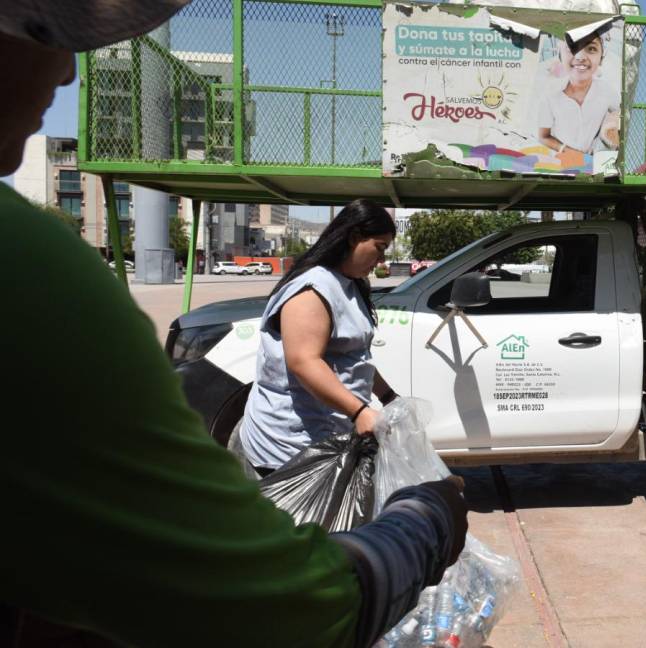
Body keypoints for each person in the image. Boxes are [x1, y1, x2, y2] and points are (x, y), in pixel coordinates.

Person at [0, 3, 467, 646]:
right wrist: (424, 522)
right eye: (46, 31)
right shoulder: (33, 270)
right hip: (295, 440)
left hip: (337, 431)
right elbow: (268, 600)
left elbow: (352, 361)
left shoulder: (355, 289)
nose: (66, 75)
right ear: (350, 238)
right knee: (307, 524)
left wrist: (381, 400)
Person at [238, 199, 397, 473]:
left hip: (325, 438)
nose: (381, 260)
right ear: (354, 237)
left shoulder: (350, 285)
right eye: (379, 248)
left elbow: (354, 357)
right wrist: (359, 412)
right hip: (290, 446)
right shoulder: (313, 289)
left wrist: (389, 397)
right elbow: (303, 361)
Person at [538, 33, 621, 155]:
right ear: (560, 54)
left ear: (601, 57)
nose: (580, 56)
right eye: (572, 48)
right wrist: (570, 153)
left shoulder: (608, 91)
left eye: (591, 49)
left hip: (592, 168)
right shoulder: (550, 93)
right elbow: (543, 137)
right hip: (557, 166)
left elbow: (621, 114)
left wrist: (610, 125)